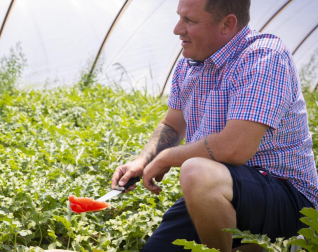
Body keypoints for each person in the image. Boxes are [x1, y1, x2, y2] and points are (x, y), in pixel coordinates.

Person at [110, 0, 318, 251]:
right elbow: (173, 124)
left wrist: (166, 158)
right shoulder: (189, 63)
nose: (177, 29)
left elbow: (235, 149)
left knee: (196, 171)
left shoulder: (264, 56)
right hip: (218, 191)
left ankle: (274, 243)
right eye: (179, 17)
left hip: (288, 198)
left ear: (227, 24)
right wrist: (141, 161)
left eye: (191, 21)